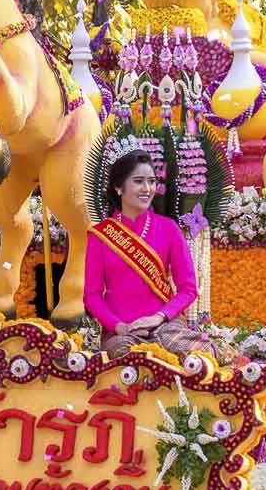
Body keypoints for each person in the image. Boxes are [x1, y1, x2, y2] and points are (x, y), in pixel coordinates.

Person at [84, 146, 199, 359]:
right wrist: (117, 326)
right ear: (119, 187)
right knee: (128, 358)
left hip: (165, 325)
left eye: (152, 181)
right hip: (122, 331)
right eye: (138, 181)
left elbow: (188, 289)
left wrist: (159, 317)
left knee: (188, 353)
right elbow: (92, 295)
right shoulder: (100, 235)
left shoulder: (169, 228)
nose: (147, 188)